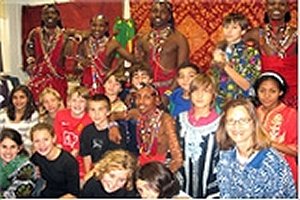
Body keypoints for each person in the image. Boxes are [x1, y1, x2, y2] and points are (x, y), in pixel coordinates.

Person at [215, 98, 296, 198]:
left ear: (254, 123)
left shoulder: (272, 163)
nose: (236, 126)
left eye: (243, 120)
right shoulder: (225, 157)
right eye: (231, 121)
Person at [244, 0, 297, 109]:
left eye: (282, 4)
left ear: (288, 8)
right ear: (266, 7)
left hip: (294, 96)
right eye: (272, 4)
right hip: (267, 96)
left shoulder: (296, 34)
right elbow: (230, 45)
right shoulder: (256, 34)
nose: (276, 7)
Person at [177, 73, 220, 198]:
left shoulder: (220, 124)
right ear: (190, 94)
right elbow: (173, 152)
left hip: (211, 186)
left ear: (213, 95)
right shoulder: (180, 120)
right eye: (195, 91)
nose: (200, 96)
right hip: (182, 186)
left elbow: (221, 159)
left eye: (206, 91)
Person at [209, 12, 261, 113]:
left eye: (234, 28)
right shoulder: (219, 50)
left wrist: (224, 65)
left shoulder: (250, 52)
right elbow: (214, 80)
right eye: (226, 27)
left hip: (241, 103)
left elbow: (247, 85)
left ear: (243, 31)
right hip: (218, 104)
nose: (229, 31)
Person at [135, 0, 190, 95]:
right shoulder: (142, 39)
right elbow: (138, 67)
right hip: (148, 92)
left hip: (172, 89)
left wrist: (169, 93)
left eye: (163, 12)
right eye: (154, 11)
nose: (158, 15)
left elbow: (182, 70)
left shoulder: (178, 39)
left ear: (169, 16)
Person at [253, 71, 297, 186]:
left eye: (272, 91)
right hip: (254, 173)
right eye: (262, 91)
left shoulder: (291, 115)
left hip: (283, 173)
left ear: (280, 92)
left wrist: (270, 143)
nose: (266, 96)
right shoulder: (252, 113)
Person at [77, 14, 136, 95]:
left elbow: (134, 60)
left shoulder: (112, 44)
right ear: (90, 26)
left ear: (106, 28)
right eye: (94, 25)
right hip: (86, 86)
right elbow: (77, 64)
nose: (97, 29)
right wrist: (81, 63)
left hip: (105, 86)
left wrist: (115, 71)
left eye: (101, 26)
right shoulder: (84, 42)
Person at [24, 4, 73, 103]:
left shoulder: (65, 36)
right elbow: (28, 48)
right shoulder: (35, 33)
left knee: (57, 109)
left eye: (53, 13)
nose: (49, 16)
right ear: (42, 17)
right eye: (46, 13)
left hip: (57, 79)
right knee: (38, 107)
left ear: (58, 17)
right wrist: (31, 62)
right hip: (38, 79)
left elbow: (70, 57)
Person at [130, 83, 183, 173]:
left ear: (157, 100)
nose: (141, 102)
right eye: (138, 97)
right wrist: (113, 125)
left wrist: (162, 176)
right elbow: (114, 115)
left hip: (160, 168)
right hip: (143, 165)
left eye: (147, 97)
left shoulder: (165, 120)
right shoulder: (137, 114)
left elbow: (178, 159)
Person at [30, 123, 80, 198]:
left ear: (54, 139)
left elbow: (73, 194)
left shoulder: (69, 162)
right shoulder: (37, 157)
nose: (42, 145)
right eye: (37, 141)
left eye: (46, 139)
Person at [79, 94, 125, 174]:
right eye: (92, 110)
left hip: (112, 171)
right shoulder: (86, 131)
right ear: (88, 112)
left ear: (108, 112)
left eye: (100, 109)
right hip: (94, 171)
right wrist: (88, 174)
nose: (96, 114)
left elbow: (117, 158)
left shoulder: (116, 132)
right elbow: (86, 156)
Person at [54, 86, 92, 181]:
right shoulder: (61, 115)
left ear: (87, 103)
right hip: (61, 155)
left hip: (81, 161)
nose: (77, 104)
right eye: (74, 100)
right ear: (69, 101)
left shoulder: (89, 120)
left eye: (81, 101)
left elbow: (79, 148)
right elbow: (58, 139)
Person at [0, 85, 39, 154]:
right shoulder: (3, 113)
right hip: (5, 152)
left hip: (25, 152)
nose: (18, 101)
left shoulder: (33, 115)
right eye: (15, 98)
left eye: (22, 97)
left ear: (28, 99)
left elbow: (32, 138)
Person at [0, 128, 37, 198]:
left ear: (19, 148)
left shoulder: (26, 167)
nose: (8, 151)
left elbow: (17, 193)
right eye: (4, 147)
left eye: (13, 147)